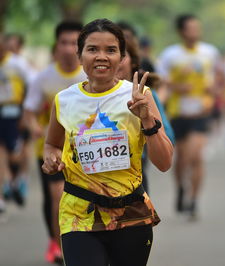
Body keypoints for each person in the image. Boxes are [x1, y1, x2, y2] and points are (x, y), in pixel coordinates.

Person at [41, 18, 173, 266]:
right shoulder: (64, 100)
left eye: (110, 50)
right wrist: (51, 157)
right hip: (79, 215)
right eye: (92, 49)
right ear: (79, 55)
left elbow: (164, 162)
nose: (101, 56)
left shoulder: (139, 97)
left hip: (130, 213)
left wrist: (146, 120)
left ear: (123, 57)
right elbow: (51, 144)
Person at [23, 21, 85, 264]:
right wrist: (35, 127)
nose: (69, 49)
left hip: (85, 152)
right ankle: (58, 244)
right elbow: (29, 112)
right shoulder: (43, 78)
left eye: (74, 43)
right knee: (56, 197)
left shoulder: (88, 75)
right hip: (52, 150)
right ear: (56, 46)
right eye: (64, 43)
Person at [157, 14, 220, 219]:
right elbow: (162, 83)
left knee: (197, 156)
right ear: (181, 31)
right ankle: (181, 189)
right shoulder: (170, 55)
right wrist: (177, 87)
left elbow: (218, 78)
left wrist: (214, 90)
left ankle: (194, 200)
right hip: (178, 113)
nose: (195, 32)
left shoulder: (209, 52)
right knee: (182, 159)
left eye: (197, 28)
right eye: (191, 28)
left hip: (201, 112)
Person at [117, 38, 175, 193]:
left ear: (133, 63)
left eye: (118, 53)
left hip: (133, 184)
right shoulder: (73, 97)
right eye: (94, 50)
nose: (110, 58)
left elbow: (166, 139)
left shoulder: (146, 95)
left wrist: (147, 122)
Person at [0, 33, 32, 216]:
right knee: (1, 151)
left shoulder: (18, 64)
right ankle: (2, 196)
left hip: (16, 112)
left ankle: (18, 180)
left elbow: (31, 86)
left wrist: (24, 115)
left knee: (16, 155)